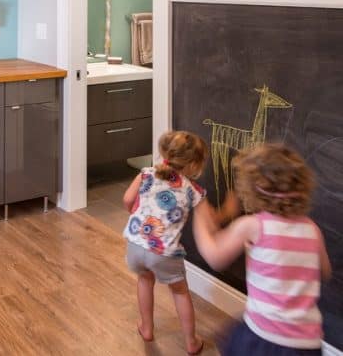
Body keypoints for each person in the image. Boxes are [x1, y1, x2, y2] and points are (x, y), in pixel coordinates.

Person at [193, 144, 332, 355]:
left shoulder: (253, 226)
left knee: (228, 339)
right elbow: (324, 272)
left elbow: (214, 257)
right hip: (307, 342)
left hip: (265, 338)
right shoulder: (312, 229)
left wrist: (200, 215)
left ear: (252, 188)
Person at [122, 130, 209, 354]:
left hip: (135, 244)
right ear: (193, 165)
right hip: (163, 252)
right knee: (179, 291)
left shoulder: (146, 174)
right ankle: (191, 342)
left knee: (144, 279)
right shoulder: (192, 189)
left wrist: (133, 210)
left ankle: (147, 328)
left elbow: (127, 200)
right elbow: (210, 220)